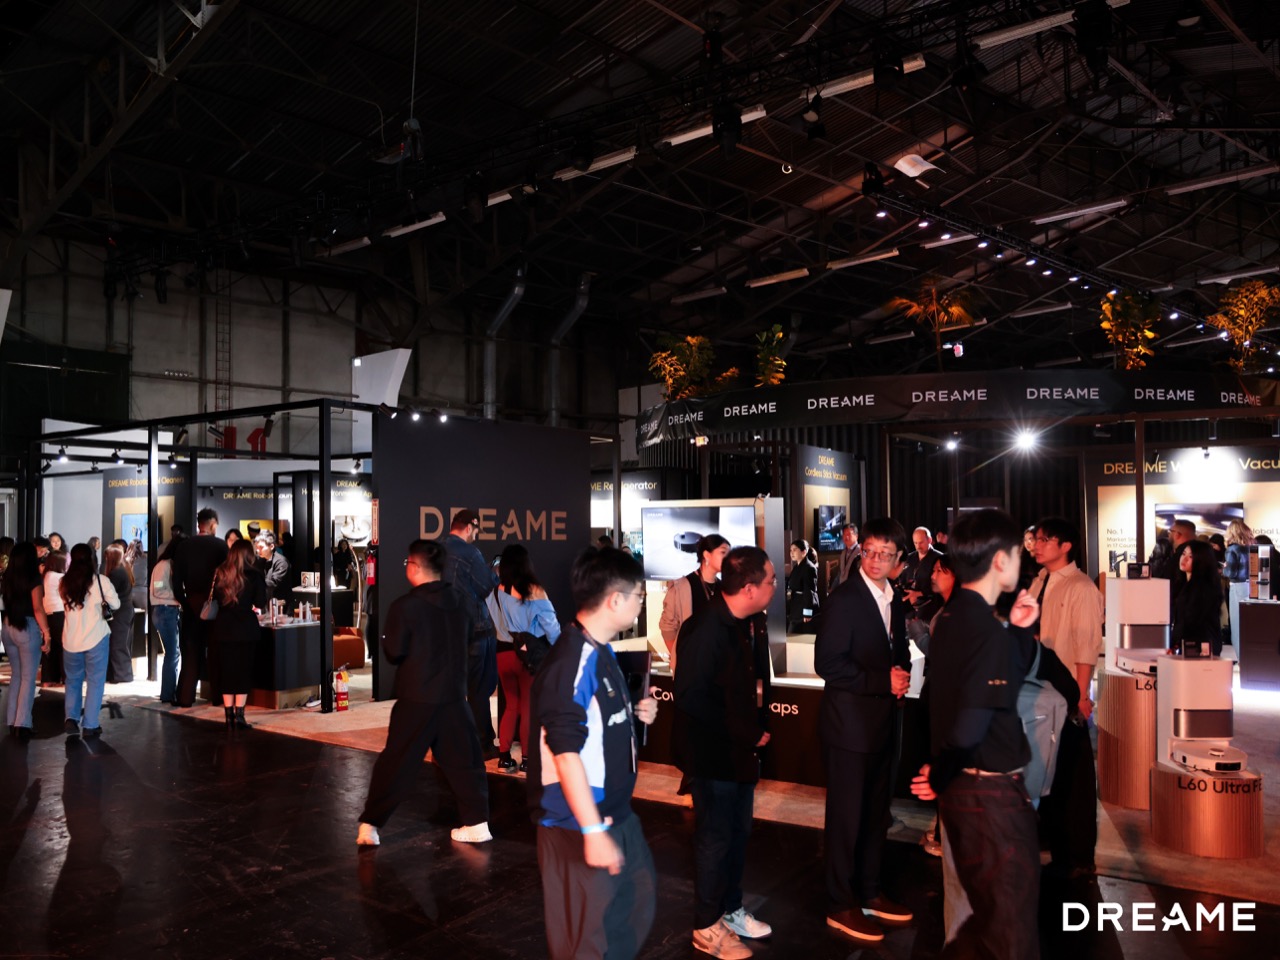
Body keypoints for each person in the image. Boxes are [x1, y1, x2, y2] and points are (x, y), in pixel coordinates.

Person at [910, 508, 1041, 960]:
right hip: (990, 797)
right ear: (1001, 560)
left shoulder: (953, 619)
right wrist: (941, 772)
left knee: (977, 920)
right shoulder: (983, 628)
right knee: (1008, 929)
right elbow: (974, 716)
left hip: (968, 789)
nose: (1024, 562)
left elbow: (993, 689)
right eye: (1020, 553)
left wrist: (1020, 635)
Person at [527, 547, 660, 960]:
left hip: (614, 812)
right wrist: (590, 831)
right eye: (638, 596)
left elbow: (594, 722)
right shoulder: (572, 662)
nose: (641, 604)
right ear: (615, 600)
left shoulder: (598, 649)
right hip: (576, 823)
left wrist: (636, 712)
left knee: (632, 910)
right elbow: (564, 752)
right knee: (586, 940)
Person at [673, 546, 777, 959]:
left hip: (738, 756)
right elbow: (691, 698)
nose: (773, 587)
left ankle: (730, 910)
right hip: (713, 757)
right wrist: (745, 733)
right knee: (715, 840)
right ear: (749, 588)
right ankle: (705, 926)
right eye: (769, 581)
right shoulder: (705, 630)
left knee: (737, 835)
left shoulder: (744, 623)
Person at [815, 517, 913, 943]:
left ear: (898, 560)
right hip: (849, 729)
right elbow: (828, 664)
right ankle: (840, 903)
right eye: (870, 551)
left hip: (882, 725)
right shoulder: (845, 599)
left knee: (876, 818)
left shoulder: (893, 598)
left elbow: (899, 650)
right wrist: (882, 682)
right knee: (846, 820)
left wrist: (902, 671)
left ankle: (870, 892)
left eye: (885, 554)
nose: (875, 560)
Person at [357, 539, 491, 847]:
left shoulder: (406, 606)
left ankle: (370, 826)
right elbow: (468, 636)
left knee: (396, 764)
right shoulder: (460, 600)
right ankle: (478, 823)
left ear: (415, 567)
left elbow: (393, 651)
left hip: (417, 697)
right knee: (466, 762)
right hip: (454, 697)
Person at [487, 544, 561, 774]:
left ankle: (504, 757)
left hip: (502, 653)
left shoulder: (495, 592)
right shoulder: (534, 591)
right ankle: (528, 759)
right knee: (529, 706)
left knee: (510, 705)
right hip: (527, 655)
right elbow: (552, 627)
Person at [1030, 518, 1103, 721]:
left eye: (1044, 540)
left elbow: (1086, 644)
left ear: (1066, 546)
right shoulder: (1040, 581)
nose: (1037, 546)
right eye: (1036, 540)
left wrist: (1080, 695)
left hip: (1062, 688)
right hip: (1034, 684)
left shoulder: (1081, 587)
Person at [439, 509, 500, 755]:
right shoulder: (470, 553)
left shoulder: (438, 550)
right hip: (476, 630)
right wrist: (494, 573)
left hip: (446, 631)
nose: (476, 535)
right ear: (469, 526)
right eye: (476, 530)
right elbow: (485, 586)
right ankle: (482, 744)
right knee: (478, 691)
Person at [60, 543, 121, 738]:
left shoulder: (64, 582)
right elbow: (116, 604)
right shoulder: (100, 581)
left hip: (70, 640)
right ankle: (90, 725)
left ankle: (71, 718)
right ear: (91, 559)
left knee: (73, 681)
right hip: (96, 638)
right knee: (95, 682)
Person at [171, 508, 229, 707]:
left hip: (191, 607)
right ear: (213, 523)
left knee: (190, 655)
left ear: (199, 524)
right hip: (215, 608)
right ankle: (218, 698)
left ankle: (186, 698)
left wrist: (186, 603)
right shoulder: (221, 546)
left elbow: (176, 582)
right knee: (216, 654)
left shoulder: (184, 546)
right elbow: (227, 580)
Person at [209, 540, 267, 729]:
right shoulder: (254, 575)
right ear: (249, 554)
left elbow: (216, 598)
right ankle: (240, 716)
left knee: (227, 671)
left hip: (223, 627)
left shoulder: (221, 572)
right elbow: (260, 601)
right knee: (243, 672)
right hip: (246, 629)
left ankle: (228, 716)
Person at [1, 543, 53, 738]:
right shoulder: (34, 578)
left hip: (8, 626)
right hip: (27, 627)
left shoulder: (8, 577)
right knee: (28, 678)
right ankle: (22, 724)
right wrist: (47, 634)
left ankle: (12, 721)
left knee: (17, 675)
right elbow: (38, 608)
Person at [659, 534, 730, 670]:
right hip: (691, 667)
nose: (728, 558)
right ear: (707, 555)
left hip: (719, 666)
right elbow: (667, 627)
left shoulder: (724, 588)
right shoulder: (682, 586)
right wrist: (681, 656)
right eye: (723, 552)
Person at [1173, 540, 1224, 657]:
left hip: (1199, 646)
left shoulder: (1202, 588)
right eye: (1183, 554)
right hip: (1194, 644)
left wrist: (1174, 641)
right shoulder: (1185, 583)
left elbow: (1191, 619)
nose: (1184, 559)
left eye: (1190, 556)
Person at [150, 535, 185, 704]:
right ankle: (167, 694)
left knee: (173, 653)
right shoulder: (163, 566)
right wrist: (179, 597)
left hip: (166, 610)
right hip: (165, 610)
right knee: (172, 653)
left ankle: (169, 692)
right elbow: (158, 590)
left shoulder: (168, 564)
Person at [102, 541, 137, 683]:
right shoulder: (125, 568)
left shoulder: (116, 572)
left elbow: (110, 594)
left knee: (117, 644)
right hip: (126, 610)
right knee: (121, 643)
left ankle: (122, 676)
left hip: (120, 612)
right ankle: (121, 675)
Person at [1224, 519, 1254, 652]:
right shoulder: (1250, 549)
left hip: (1237, 587)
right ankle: (1249, 657)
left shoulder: (1232, 549)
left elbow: (1231, 572)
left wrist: (1223, 569)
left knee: (1237, 625)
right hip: (1251, 586)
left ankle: (1241, 657)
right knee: (1248, 624)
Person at [901, 527, 944, 620]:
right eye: (915, 543)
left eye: (921, 542)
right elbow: (903, 579)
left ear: (929, 540)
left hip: (931, 611)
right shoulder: (909, 558)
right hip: (909, 611)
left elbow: (943, 586)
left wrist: (920, 593)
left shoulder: (940, 559)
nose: (918, 546)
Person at [41, 551, 68, 686]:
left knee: (51, 647)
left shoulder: (46, 575)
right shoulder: (60, 577)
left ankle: (48, 679)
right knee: (64, 646)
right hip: (59, 613)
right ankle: (66, 678)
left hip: (48, 613)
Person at [786, 538, 819, 632]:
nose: (792, 553)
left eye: (795, 550)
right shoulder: (796, 567)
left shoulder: (809, 568)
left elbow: (810, 591)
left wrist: (807, 613)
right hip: (795, 608)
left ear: (804, 552)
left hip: (803, 611)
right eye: (791, 550)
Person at [254, 531, 291, 602]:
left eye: (261, 547)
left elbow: (273, 583)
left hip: (281, 605)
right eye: (257, 547)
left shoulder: (281, 562)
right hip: (266, 603)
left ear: (271, 546)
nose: (258, 551)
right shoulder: (260, 560)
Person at [833, 522, 862, 589]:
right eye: (844, 534)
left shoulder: (860, 551)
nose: (846, 537)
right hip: (843, 590)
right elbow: (840, 573)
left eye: (849, 534)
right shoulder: (843, 553)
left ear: (856, 536)